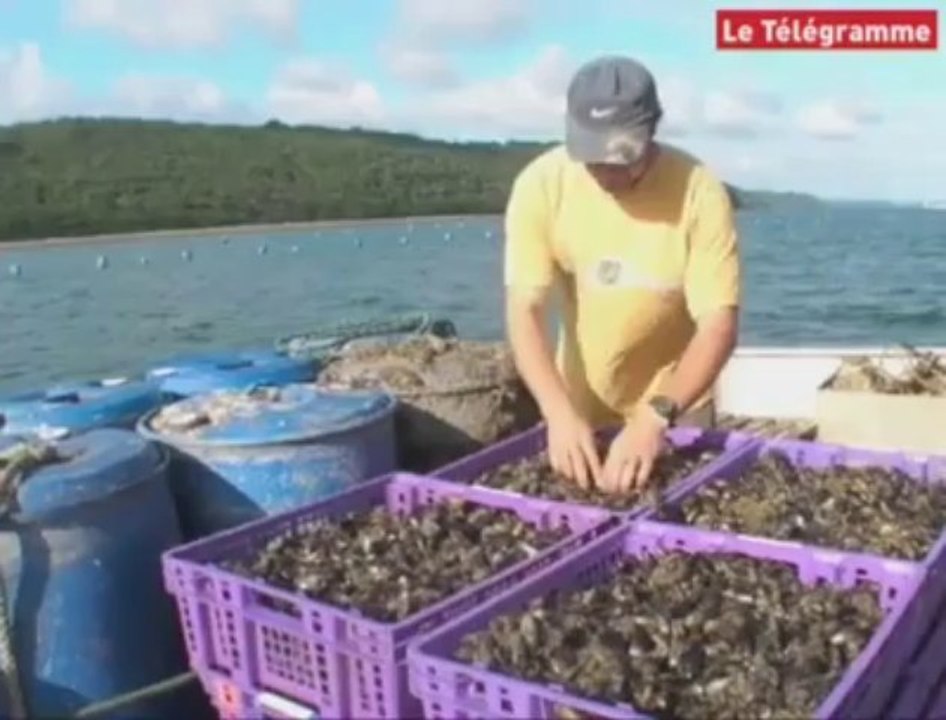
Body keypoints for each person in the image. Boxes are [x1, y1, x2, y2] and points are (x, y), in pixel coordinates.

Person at [503, 54, 741, 495]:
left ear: (653, 130)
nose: (606, 174)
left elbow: (718, 326)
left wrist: (655, 417)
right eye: (592, 158)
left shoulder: (699, 190)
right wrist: (558, 413)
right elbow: (525, 310)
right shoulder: (541, 185)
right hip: (580, 407)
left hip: (679, 404)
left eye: (621, 159)